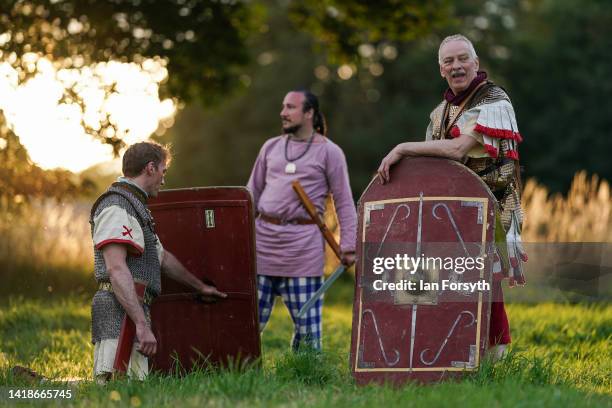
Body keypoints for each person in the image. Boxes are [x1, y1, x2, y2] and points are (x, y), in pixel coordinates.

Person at [377, 34, 528, 360]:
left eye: (463, 59)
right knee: (436, 281)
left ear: (476, 63)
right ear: (441, 69)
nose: (457, 66)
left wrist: (402, 148)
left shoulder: (495, 101)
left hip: (489, 210)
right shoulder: (439, 113)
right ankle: (431, 353)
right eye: (449, 61)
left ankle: (492, 365)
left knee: (486, 287)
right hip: (447, 210)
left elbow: (458, 151)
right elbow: (430, 167)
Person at [90, 141, 226, 383]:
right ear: (150, 168)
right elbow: (116, 268)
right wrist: (141, 325)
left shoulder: (136, 207)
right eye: (163, 171)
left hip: (129, 312)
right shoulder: (116, 205)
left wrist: (200, 287)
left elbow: (161, 258)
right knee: (114, 388)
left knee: (131, 388)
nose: (164, 180)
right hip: (117, 312)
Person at [247, 90, 357, 351]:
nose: (283, 112)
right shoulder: (270, 147)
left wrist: (349, 244)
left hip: (303, 250)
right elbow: (250, 196)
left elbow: (344, 201)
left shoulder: (330, 152)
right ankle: (239, 373)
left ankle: (307, 376)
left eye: (290, 107)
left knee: (308, 338)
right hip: (263, 247)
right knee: (247, 326)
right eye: (283, 106)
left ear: (309, 113)